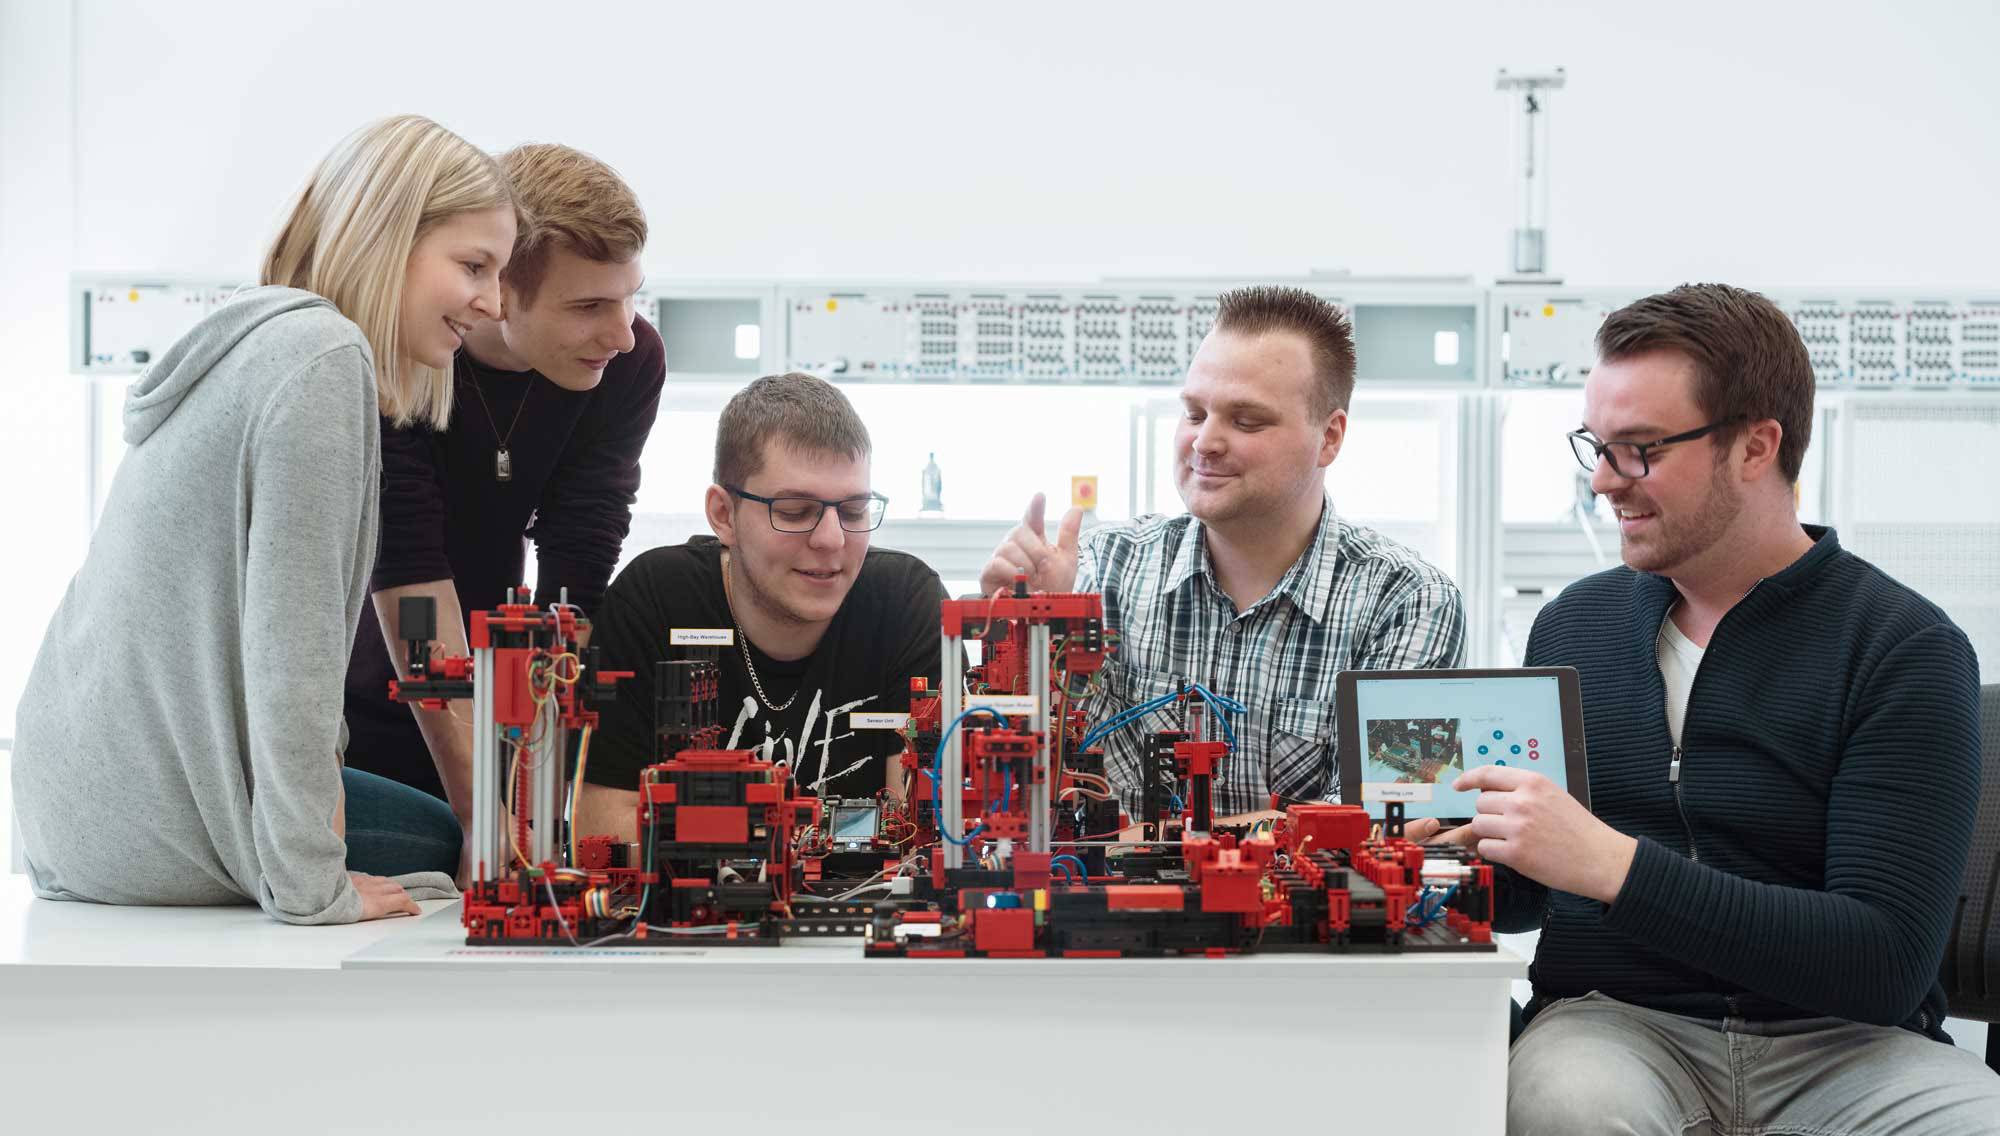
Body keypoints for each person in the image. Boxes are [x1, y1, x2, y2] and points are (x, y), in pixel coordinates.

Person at [1406, 283, 1999, 1132]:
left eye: (1639, 450)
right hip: (1614, 1028)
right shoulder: (1574, 626)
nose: (1603, 481)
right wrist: (1435, 863)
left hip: (1853, 1047)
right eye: (1597, 447)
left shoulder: (1904, 648)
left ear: (1756, 446)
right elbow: (1533, 895)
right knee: (1562, 1106)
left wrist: (1614, 866)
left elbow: (1885, 963)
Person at [12, 115, 520, 923]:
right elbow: (295, 649)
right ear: (389, 235)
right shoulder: (325, 360)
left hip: (74, 798)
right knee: (438, 845)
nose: (492, 304)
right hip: (147, 816)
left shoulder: (263, 337)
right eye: (473, 266)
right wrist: (313, 884)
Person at [979, 285, 1464, 823]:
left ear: (1329, 437)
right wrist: (1028, 636)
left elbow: (1386, 823)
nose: (1204, 442)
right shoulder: (1101, 569)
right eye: (1194, 413)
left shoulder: (1412, 602)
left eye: (1246, 420)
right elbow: (1043, 791)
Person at [342, 143, 664, 858]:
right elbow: (411, 575)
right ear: (498, 290)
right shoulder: (401, 356)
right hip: (367, 700)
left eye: (630, 297)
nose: (621, 333)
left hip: (498, 697)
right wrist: (477, 812)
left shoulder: (628, 362)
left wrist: (531, 782)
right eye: (589, 306)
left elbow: (580, 558)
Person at [573, 373, 946, 842]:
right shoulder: (654, 602)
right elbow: (599, 828)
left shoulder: (907, 604)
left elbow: (919, 835)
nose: (832, 539)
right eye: (794, 512)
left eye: (854, 511)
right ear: (724, 515)